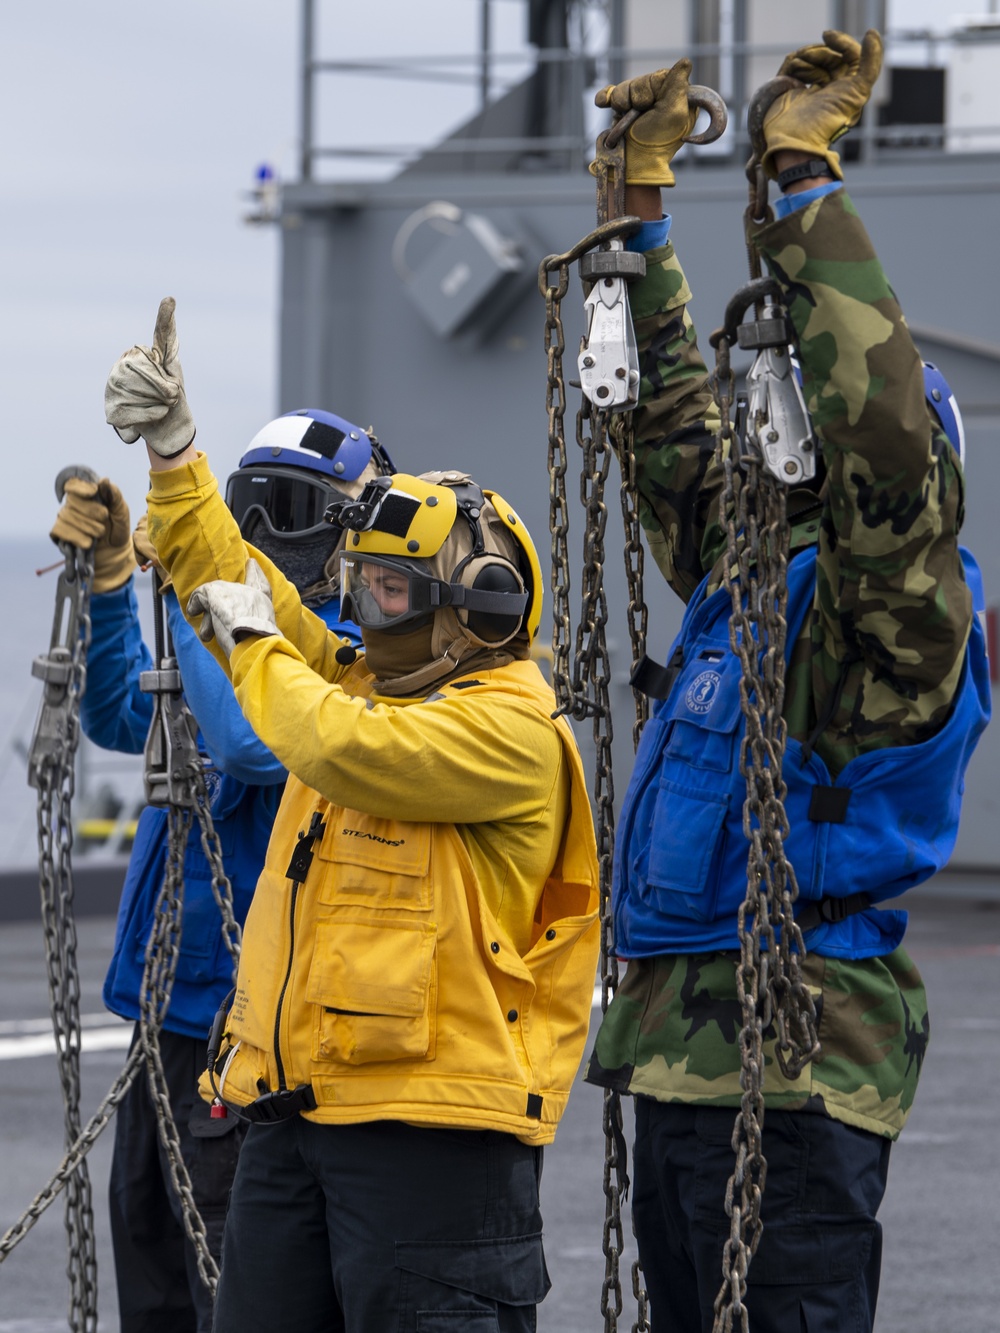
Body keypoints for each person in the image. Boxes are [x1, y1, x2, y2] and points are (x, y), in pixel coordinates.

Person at [582, 32, 991, 1333]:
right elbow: (667, 424)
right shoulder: (752, 577)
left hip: (802, 1073)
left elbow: (876, 431)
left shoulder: (899, 614)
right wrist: (638, 217)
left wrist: (803, 185)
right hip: (681, 1061)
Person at [100, 298, 601, 1332]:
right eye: (362, 587)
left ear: (484, 607)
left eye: (390, 592)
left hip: (433, 1141)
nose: (366, 613)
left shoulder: (507, 729)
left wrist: (247, 647)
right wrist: (175, 452)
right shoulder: (383, 684)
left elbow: (331, 741)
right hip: (301, 1112)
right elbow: (252, 590)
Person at [48, 402, 393, 1333]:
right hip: (171, 1015)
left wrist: (186, 590)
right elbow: (125, 714)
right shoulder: (228, 638)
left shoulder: (344, 662)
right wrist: (121, 582)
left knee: (228, 1291)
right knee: (152, 1264)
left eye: (292, 507)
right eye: (254, 509)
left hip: (251, 1040)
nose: (270, 534)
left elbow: (247, 742)